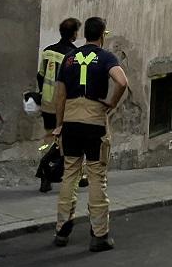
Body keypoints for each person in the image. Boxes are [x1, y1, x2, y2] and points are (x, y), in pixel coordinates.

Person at [53, 17, 128, 252]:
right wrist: (111, 104)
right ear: (103, 35)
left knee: (70, 173)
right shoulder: (106, 57)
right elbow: (122, 82)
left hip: (71, 120)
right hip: (94, 121)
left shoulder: (69, 58)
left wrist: (59, 125)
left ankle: (62, 228)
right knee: (97, 176)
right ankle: (99, 234)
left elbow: (60, 96)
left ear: (85, 34)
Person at [35, 17, 82, 193]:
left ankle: (45, 177)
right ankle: (53, 171)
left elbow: (40, 75)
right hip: (65, 105)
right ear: (74, 34)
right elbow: (76, 82)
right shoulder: (73, 56)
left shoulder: (48, 51)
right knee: (67, 140)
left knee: (49, 138)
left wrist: (44, 93)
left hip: (47, 102)